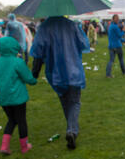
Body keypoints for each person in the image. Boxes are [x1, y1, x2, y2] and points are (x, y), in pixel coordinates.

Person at [30, 16, 90, 150]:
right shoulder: (72, 25)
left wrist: (35, 72)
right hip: (73, 69)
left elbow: (37, 52)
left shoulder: (44, 28)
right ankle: (72, 130)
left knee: (65, 100)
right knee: (74, 101)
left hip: (55, 72)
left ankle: (72, 128)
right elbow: (83, 44)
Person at [0, 37, 37, 154]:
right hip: (17, 97)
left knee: (12, 120)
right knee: (21, 120)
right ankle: (24, 146)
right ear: (14, 47)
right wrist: (34, 80)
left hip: (3, 97)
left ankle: (4, 146)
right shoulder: (17, 62)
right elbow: (28, 78)